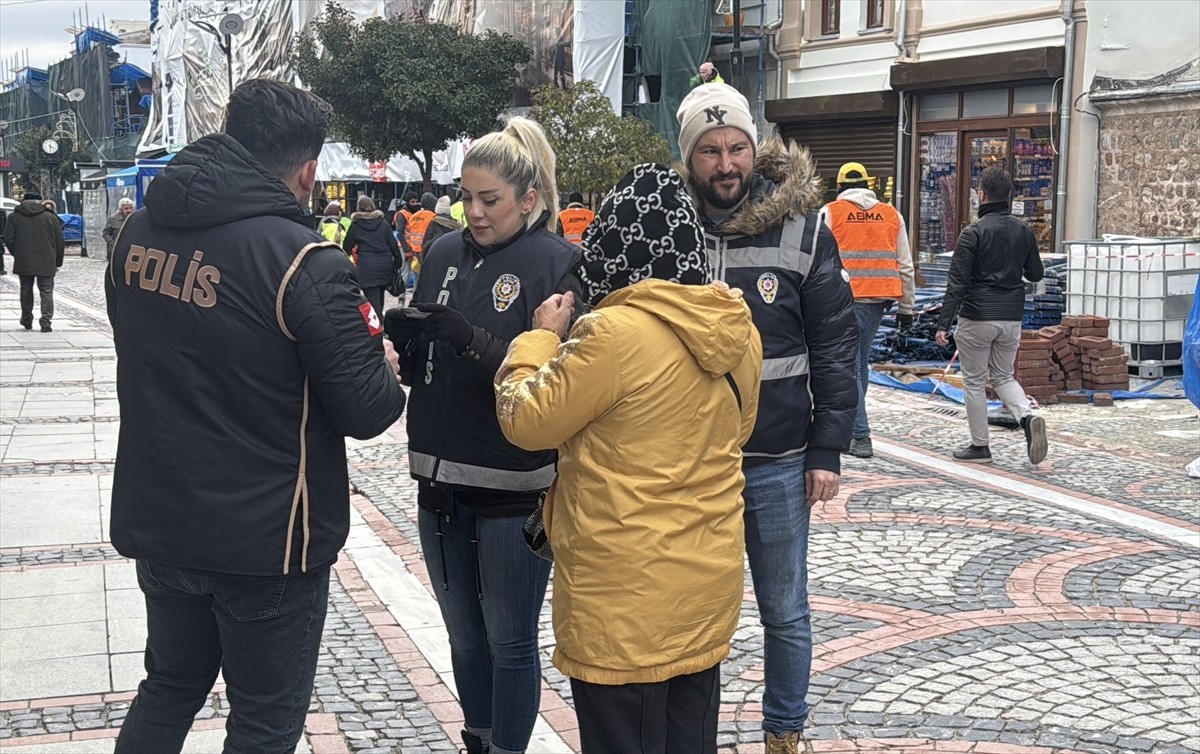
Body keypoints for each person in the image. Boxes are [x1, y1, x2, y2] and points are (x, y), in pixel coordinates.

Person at [105, 79, 407, 754]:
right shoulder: (303, 260)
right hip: (269, 541)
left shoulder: (136, 235)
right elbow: (368, 409)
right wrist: (382, 365)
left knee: (170, 686)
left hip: (163, 520)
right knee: (265, 722)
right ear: (307, 171)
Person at [496, 163, 762, 754]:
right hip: (704, 590)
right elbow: (737, 430)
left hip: (625, 603)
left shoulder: (613, 334)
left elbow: (526, 420)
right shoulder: (737, 328)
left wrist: (539, 339)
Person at [390, 116, 582, 754]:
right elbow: (427, 364)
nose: (472, 212)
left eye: (489, 199)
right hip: (438, 479)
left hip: (513, 486)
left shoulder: (558, 263)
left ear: (528, 199)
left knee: (509, 641)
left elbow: (554, 381)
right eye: (465, 196)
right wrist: (408, 346)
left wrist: (468, 340)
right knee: (464, 639)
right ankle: (477, 739)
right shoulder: (442, 251)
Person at [677, 83, 857, 754]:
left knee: (784, 610)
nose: (726, 165)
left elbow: (836, 343)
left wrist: (827, 449)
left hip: (779, 459)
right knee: (693, 610)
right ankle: (689, 734)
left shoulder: (805, 228)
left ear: (755, 148)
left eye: (737, 149)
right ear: (689, 156)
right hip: (690, 464)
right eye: (710, 151)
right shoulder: (672, 230)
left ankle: (785, 732)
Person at [936, 166, 1047, 465]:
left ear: (981, 195)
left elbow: (956, 282)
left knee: (973, 382)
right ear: (1009, 195)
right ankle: (1026, 417)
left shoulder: (972, 233)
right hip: (1011, 316)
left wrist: (943, 323)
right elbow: (1036, 272)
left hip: (977, 316)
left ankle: (980, 446)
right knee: (1003, 376)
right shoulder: (1023, 230)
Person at [819, 162, 915, 459]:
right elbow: (906, 266)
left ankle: (860, 436)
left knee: (849, 368)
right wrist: (907, 308)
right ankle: (853, 429)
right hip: (877, 302)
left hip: (843, 300)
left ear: (840, 187)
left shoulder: (830, 212)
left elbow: (818, 261)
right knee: (859, 365)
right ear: (869, 185)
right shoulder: (891, 214)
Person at [3, 191, 64, 332]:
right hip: (46, 260)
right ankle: (46, 321)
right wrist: (57, 262)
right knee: (46, 291)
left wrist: (17, 253)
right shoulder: (50, 217)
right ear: (40, 202)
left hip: (24, 259)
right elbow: (60, 241)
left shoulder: (14, 217)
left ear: (23, 201)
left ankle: (26, 319)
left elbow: (8, 238)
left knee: (25, 290)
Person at [343, 194, 403, 317]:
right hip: (384, 264)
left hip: (367, 266)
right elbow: (393, 244)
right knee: (380, 296)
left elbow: (346, 246)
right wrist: (397, 261)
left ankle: (378, 326)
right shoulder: (383, 223)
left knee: (372, 298)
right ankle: (380, 323)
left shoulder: (356, 225)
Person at [404, 192, 437, 270]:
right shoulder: (433, 217)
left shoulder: (413, 216)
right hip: (426, 249)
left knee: (417, 272)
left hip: (414, 250)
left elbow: (409, 232)